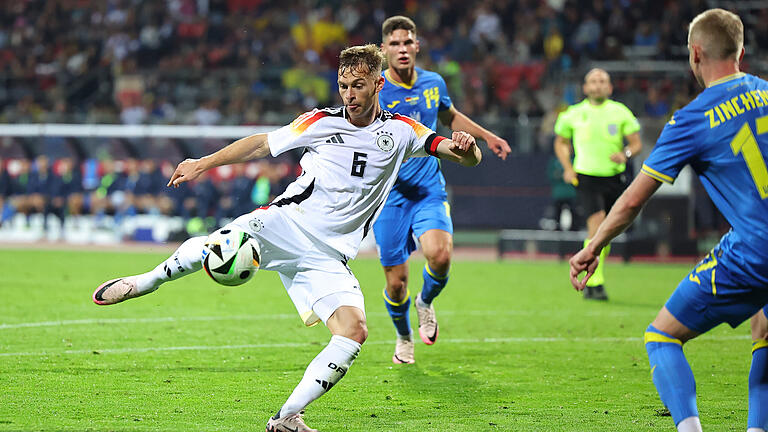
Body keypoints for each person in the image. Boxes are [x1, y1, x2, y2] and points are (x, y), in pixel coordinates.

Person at [91, 44, 481, 432]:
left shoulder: (402, 131)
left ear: (378, 84)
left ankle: (286, 418)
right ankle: (146, 282)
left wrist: (468, 148)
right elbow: (262, 143)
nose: (349, 95)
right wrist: (203, 163)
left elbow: (456, 153)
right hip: (285, 223)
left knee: (354, 331)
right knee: (223, 244)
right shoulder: (320, 121)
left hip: (329, 257)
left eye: (358, 86)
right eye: (343, 85)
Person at [569, 9, 768, 432]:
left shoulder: (692, 119)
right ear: (741, 52)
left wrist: (593, 246)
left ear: (695, 54)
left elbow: (630, 203)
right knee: (764, 329)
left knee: (662, 337)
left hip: (753, 250)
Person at [375, 16, 511, 364]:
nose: (402, 49)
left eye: (408, 42)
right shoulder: (375, 89)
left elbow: (449, 117)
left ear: (417, 46)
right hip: (388, 196)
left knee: (441, 255)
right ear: (384, 49)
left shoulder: (433, 82)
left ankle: (425, 302)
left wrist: (487, 136)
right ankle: (404, 337)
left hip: (427, 188)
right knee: (395, 283)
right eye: (395, 43)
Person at [554, 68, 642, 300]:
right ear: (585, 88)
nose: (598, 85)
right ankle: (595, 282)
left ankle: (594, 277)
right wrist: (568, 167)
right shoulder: (573, 114)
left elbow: (635, 143)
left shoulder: (620, 112)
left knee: (607, 230)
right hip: (586, 176)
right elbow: (561, 143)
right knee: (596, 224)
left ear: (610, 87)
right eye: (593, 81)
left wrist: (626, 154)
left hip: (614, 176)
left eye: (602, 81)